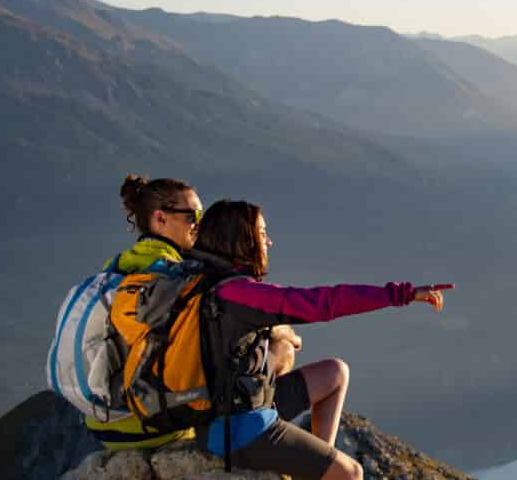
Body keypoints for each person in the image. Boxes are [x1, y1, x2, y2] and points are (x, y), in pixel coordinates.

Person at [188, 199, 448, 480]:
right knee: (350, 473)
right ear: (240, 240)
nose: (269, 243)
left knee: (334, 373)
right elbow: (324, 303)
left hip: (235, 407)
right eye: (262, 234)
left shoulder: (208, 284)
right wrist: (402, 294)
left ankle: (316, 470)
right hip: (240, 430)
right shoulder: (241, 294)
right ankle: (325, 471)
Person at [86, 175, 206, 449]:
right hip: (150, 423)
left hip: (104, 421)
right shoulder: (176, 277)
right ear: (160, 219)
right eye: (192, 215)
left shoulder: (116, 266)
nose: (199, 224)